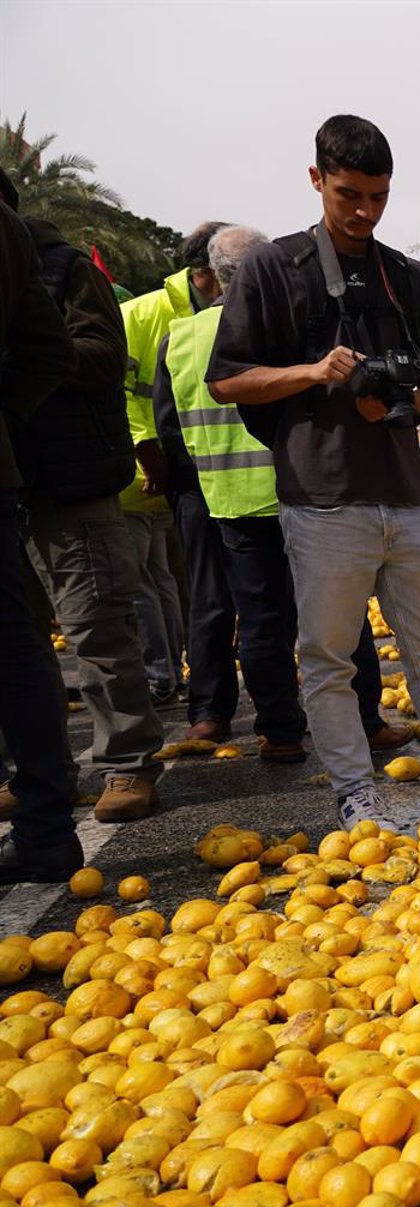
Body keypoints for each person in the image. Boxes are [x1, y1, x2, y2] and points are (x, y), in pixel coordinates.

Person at [207, 114, 420, 829]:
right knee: (329, 659)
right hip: (323, 498)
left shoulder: (408, 277)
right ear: (316, 181)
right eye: (348, 196)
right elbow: (226, 382)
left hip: (404, 495)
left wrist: (393, 403)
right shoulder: (274, 269)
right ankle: (355, 794)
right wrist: (313, 372)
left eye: (377, 196)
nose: (364, 211)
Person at [155, 224, 412, 764]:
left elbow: (168, 428)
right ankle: (365, 721)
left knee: (261, 620)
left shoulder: (180, 338)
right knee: (342, 619)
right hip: (307, 492)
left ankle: (280, 732)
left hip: (230, 500)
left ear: (214, 278)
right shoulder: (289, 329)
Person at [7, 178, 166, 823]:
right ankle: (40, 769)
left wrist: (25, 356)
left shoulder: (65, 269)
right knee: (17, 642)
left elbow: (105, 357)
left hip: (71, 480)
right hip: (12, 482)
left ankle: (128, 764)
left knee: (97, 631)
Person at [123, 220, 237, 743]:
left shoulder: (244, 312)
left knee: (211, 596)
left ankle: (269, 711)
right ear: (206, 273)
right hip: (167, 480)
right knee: (196, 597)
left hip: (235, 481)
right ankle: (199, 703)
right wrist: (150, 456)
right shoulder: (144, 315)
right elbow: (121, 395)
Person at [0, 175, 83, 882]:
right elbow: (47, 352)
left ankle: (44, 825)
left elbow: (55, 353)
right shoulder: (11, 230)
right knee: (15, 644)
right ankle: (45, 827)